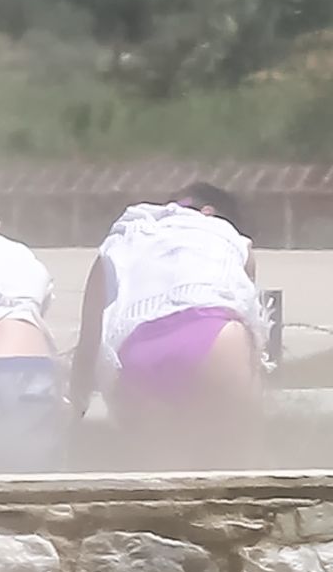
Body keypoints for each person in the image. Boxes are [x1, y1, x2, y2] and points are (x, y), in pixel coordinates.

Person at [80, 184, 266, 454]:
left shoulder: (124, 236)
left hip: (137, 350)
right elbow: (245, 304)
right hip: (216, 334)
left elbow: (89, 343)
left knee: (160, 473)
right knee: (240, 463)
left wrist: (74, 409)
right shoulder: (229, 237)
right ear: (210, 213)